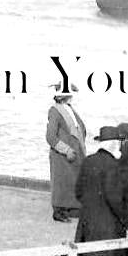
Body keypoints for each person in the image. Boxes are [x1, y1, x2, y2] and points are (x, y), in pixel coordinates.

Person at [74, 126, 128, 256]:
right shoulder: (113, 165)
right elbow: (115, 199)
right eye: (119, 143)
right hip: (109, 227)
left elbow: (78, 192)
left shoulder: (88, 161)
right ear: (113, 144)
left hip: (88, 222)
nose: (120, 147)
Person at [45, 83, 86, 222]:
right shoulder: (54, 111)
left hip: (75, 153)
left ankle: (71, 209)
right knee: (61, 182)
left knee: (72, 181)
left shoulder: (69, 108)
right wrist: (66, 149)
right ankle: (58, 212)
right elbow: (50, 137)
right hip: (62, 155)